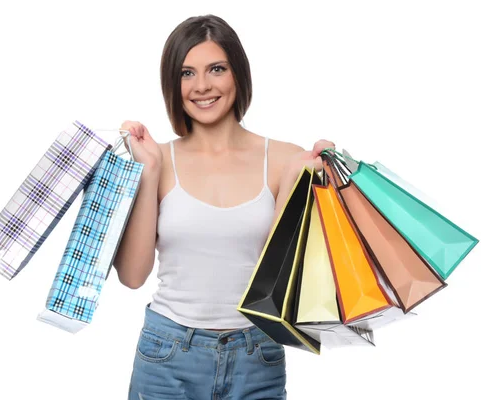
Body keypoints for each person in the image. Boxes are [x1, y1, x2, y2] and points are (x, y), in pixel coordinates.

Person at [112, 14, 334, 399]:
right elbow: (132, 277)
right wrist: (146, 172)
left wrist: (309, 183)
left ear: (238, 75)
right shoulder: (156, 160)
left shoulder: (285, 159)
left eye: (216, 69)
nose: (202, 86)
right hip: (167, 354)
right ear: (172, 82)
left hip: (257, 354)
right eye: (186, 73)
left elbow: (281, 277)